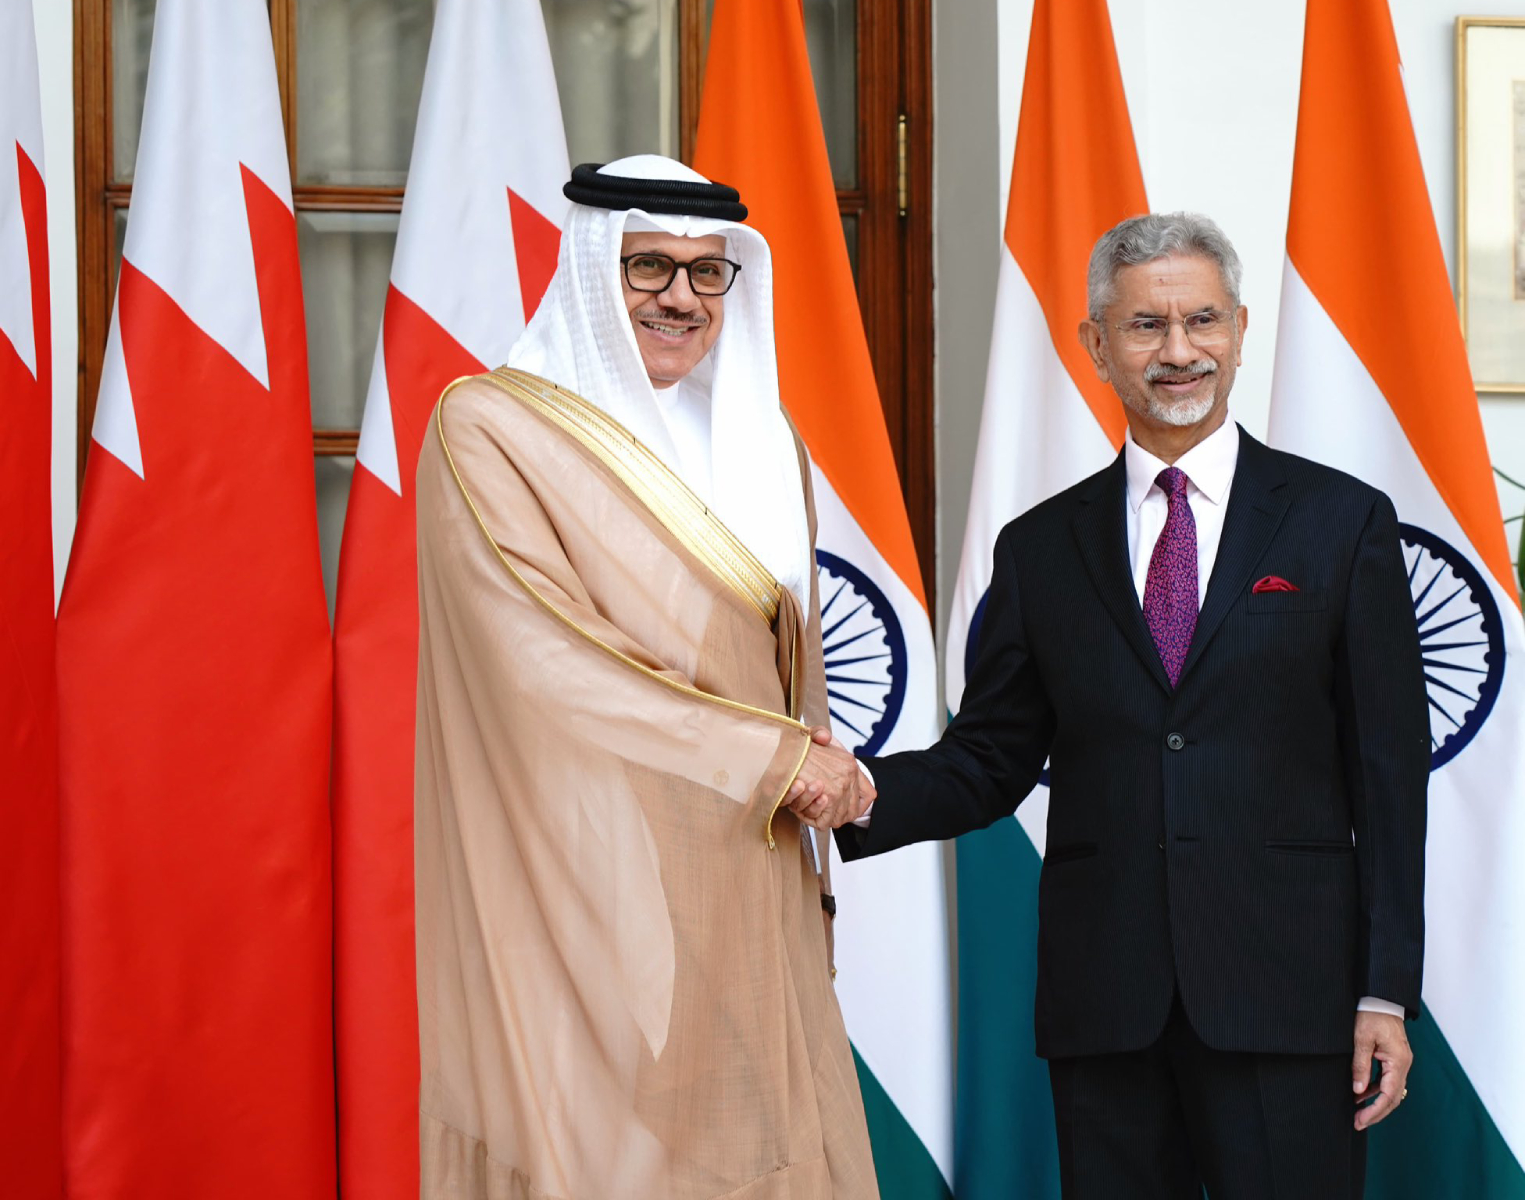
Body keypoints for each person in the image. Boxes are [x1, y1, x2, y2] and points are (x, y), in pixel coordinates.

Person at [798, 212, 1429, 1199]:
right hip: (1108, 1001)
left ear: (1239, 330)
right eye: (1144, 327)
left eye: (1200, 322)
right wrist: (855, 788)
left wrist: (1385, 988)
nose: (1177, 352)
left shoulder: (1339, 523)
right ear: (1096, 345)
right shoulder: (1041, 547)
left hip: (1289, 994)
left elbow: (1388, 777)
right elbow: (990, 758)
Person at [411, 155, 878, 1200]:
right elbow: (535, 656)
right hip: (584, 860)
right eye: (647, 266)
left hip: (750, 855)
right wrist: (773, 758)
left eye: (708, 273)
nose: (680, 296)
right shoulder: (491, 427)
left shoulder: (762, 441)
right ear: (588, 268)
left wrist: (803, 779)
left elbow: (778, 664)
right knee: (604, 1151)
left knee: (768, 1142)